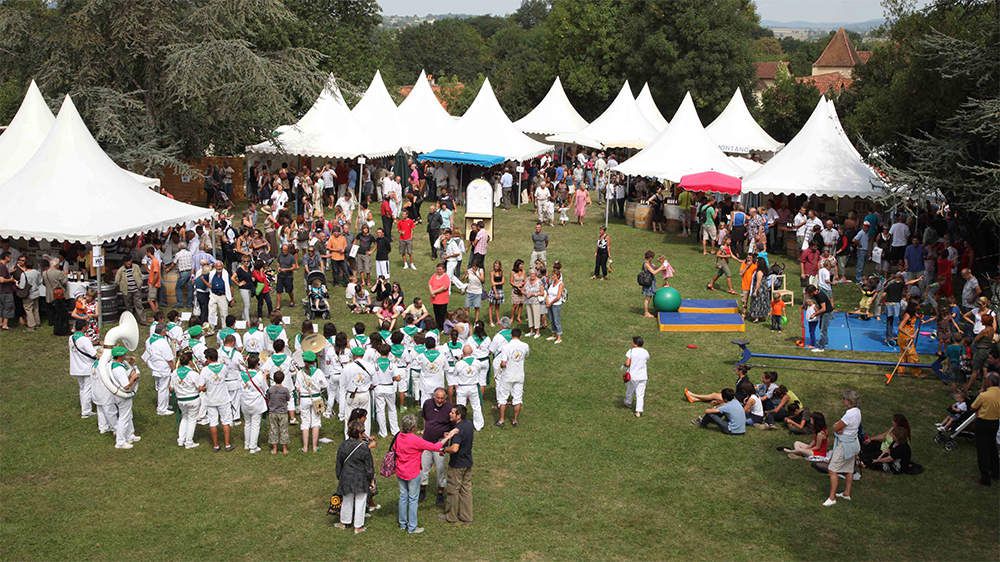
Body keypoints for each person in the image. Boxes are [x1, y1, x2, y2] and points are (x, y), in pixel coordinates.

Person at [393, 414, 457, 534]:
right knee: (412, 499)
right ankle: (412, 527)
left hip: (400, 471)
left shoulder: (398, 436)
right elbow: (435, 447)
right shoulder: (415, 440)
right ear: (413, 427)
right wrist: (448, 437)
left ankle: (402, 523)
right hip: (412, 472)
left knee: (403, 497)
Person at [335, 420, 375, 534]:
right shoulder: (364, 448)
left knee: (347, 500)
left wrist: (340, 477)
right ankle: (358, 526)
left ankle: (344, 522)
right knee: (360, 501)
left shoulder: (343, 445)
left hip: (346, 477)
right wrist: (371, 480)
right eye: (362, 432)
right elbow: (369, 467)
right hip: (360, 479)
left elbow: (339, 464)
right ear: (359, 433)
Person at [824, 390, 862, 506]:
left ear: (848, 401)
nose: (842, 400)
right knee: (849, 469)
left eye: (844, 398)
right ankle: (846, 493)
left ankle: (832, 497)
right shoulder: (857, 411)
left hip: (845, 444)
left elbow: (836, 427)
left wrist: (837, 427)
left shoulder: (849, 414)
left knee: (832, 469)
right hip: (853, 443)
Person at [441, 405, 474, 524]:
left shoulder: (458, 430)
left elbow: (455, 448)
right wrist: (450, 435)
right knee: (466, 490)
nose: (450, 414)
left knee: (453, 490)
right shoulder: (469, 424)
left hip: (457, 464)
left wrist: (444, 450)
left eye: (452, 413)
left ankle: (451, 516)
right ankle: (466, 516)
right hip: (468, 462)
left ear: (459, 415)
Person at [200, 348, 234, 452]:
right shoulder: (224, 367)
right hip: (223, 398)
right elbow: (226, 376)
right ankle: (227, 445)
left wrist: (207, 387)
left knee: (213, 422)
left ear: (209, 358)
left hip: (211, 399)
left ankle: (216, 445)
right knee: (226, 421)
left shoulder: (205, 370)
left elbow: (201, 387)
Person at [495, 328, 530, 427]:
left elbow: (503, 363)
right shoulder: (525, 346)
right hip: (519, 375)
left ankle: (501, 420)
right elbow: (526, 355)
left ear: (511, 335)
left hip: (507, 376)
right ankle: (514, 420)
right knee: (518, 398)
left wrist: (500, 368)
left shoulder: (506, 347)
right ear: (520, 335)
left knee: (503, 398)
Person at [170, 350, 204, 449]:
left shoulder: (174, 373)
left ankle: (181, 440)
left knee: (184, 418)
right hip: (193, 399)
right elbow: (199, 388)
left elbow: (171, 388)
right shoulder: (193, 374)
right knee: (192, 420)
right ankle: (189, 442)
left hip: (181, 400)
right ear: (190, 362)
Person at [108, 346, 141, 449]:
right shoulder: (118, 369)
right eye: (124, 354)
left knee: (128, 415)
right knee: (124, 418)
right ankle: (120, 442)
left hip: (119, 395)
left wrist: (131, 364)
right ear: (120, 356)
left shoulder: (115, 364)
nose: (126, 355)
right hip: (123, 396)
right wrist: (134, 378)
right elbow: (126, 386)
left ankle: (130, 435)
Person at [971, 373, 1000, 485]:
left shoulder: (984, 395)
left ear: (989, 382)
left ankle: (985, 477)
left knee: (982, 450)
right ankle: (996, 472)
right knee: (992, 447)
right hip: (995, 423)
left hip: (983, 423)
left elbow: (973, 407)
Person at [297, 350, 327, 452]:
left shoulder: (300, 373)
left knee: (305, 422)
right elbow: (325, 385)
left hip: (304, 399)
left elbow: (298, 388)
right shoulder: (319, 372)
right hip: (317, 398)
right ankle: (314, 447)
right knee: (316, 421)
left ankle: (305, 447)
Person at [142, 323, 175, 416]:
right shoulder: (163, 343)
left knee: (161, 388)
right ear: (163, 331)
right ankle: (161, 409)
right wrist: (174, 369)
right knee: (163, 389)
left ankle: (164, 405)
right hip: (163, 369)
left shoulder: (149, 340)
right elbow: (169, 359)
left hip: (154, 367)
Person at [68, 319, 98, 418]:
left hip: (76, 367)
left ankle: (84, 408)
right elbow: (93, 353)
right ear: (84, 327)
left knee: (82, 388)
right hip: (86, 367)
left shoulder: (71, 338)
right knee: (87, 389)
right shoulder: (84, 339)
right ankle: (86, 411)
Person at [239, 355, 267, 453]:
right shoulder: (259, 375)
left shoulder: (241, 374)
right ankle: (253, 446)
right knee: (255, 424)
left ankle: (247, 444)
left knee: (247, 423)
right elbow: (265, 388)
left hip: (245, 402)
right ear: (256, 364)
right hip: (256, 403)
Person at [114, 256, 147, 324]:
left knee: (139, 305)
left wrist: (140, 283)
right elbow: (117, 280)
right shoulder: (121, 270)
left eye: (129, 261)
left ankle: (143, 320)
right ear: (124, 263)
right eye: (127, 262)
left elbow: (141, 275)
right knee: (128, 306)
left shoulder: (136, 267)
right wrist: (121, 285)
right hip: (127, 291)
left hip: (136, 289)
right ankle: (131, 321)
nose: (128, 263)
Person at [623, 336, 650, 417]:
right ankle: (638, 411)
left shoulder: (631, 351)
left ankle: (628, 402)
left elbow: (627, 363)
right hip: (643, 376)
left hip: (632, 376)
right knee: (640, 394)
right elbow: (647, 359)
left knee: (630, 389)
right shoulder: (645, 352)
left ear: (635, 343)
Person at [266, 371, 291, 455]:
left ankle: (274, 449)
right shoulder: (285, 390)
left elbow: (268, 397)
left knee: (273, 429)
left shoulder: (270, 389)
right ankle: (284, 449)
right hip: (283, 412)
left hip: (272, 412)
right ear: (283, 379)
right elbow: (288, 398)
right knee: (284, 430)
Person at [806, 285, 833, 352]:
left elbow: (824, 309)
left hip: (827, 313)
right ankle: (825, 342)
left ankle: (821, 347)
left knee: (823, 329)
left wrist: (814, 314)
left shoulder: (820, 296)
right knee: (822, 328)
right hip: (824, 312)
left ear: (813, 292)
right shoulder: (816, 292)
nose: (809, 295)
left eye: (809, 293)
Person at [641, 250, 666, 318]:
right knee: (647, 298)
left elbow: (656, 268)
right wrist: (661, 268)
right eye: (652, 257)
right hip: (648, 283)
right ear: (650, 257)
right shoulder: (646, 264)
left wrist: (662, 263)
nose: (653, 259)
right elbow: (654, 272)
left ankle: (647, 312)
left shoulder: (650, 263)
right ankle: (646, 313)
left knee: (649, 297)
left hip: (651, 283)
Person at [207, 261, 232, 329]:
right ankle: (211, 327)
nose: (219, 268)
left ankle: (224, 327)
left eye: (220, 266)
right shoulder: (212, 273)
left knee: (224, 313)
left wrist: (231, 297)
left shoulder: (226, 274)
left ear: (222, 267)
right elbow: (209, 282)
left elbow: (230, 286)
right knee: (212, 312)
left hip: (222, 296)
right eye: (217, 267)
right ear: (215, 267)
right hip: (213, 295)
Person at [428, 263, 451, 329]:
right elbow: (430, 283)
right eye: (437, 269)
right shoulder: (434, 275)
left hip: (442, 300)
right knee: (436, 314)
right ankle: (437, 326)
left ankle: (443, 327)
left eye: (440, 269)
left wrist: (434, 292)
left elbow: (444, 287)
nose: (438, 271)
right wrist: (431, 292)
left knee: (442, 314)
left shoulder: (446, 277)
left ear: (444, 270)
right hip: (435, 300)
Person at [523, 269, 545, 338]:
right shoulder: (527, 280)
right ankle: (531, 331)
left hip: (535, 302)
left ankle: (537, 332)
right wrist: (526, 294)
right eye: (530, 274)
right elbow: (522, 290)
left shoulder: (539, 282)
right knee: (530, 316)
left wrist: (533, 294)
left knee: (536, 316)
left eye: (533, 274)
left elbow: (542, 293)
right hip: (528, 301)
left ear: (535, 274)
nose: (532, 275)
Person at [545, 268, 566, 343]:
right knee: (551, 319)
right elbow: (547, 293)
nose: (552, 276)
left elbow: (558, 297)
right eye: (552, 275)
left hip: (556, 305)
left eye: (553, 275)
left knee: (556, 320)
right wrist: (547, 301)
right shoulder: (552, 283)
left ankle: (559, 337)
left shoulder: (560, 284)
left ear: (557, 276)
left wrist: (550, 303)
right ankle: (553, 335)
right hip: (550, 304)